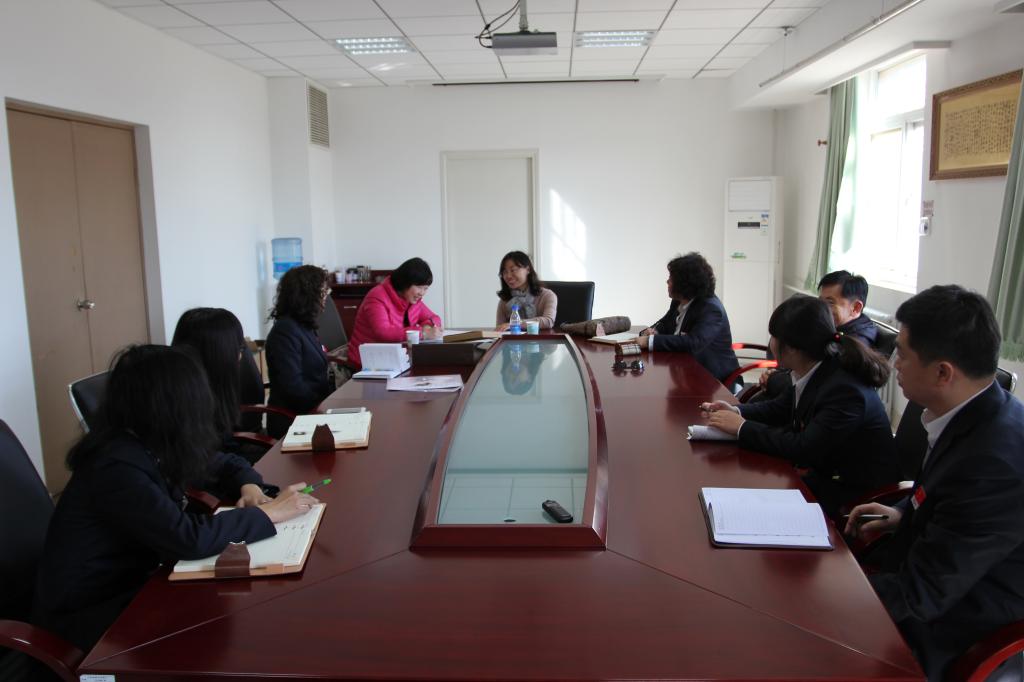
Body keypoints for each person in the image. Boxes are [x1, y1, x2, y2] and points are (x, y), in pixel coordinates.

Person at [31, 345, 318, 652]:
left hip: (141, 582)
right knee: (225, 641)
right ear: (171, 405)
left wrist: (250, 487)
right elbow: (187, 538)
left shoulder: (152, 440)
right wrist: (270, 513)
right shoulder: (115, 466)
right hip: (94, 615)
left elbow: (225, 464)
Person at [845, 285, 1024, 680]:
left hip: (960, 626)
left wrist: (831, 591)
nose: (894, 364)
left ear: (943, 372)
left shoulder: (994, 463)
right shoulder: (970, 411)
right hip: (934, 574)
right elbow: (948, 499)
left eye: (903, 355)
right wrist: (903, 513)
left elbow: (921, 596)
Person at [702, 295, 900, 517]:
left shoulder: (845, 389)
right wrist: (736, 411)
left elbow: (803, 448)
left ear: (792, 349)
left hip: (855, 497)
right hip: (825, 475)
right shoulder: (814, 368)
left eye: (773, 337)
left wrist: (741, 427)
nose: (771, 344)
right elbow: (780, 408)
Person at [759, 270, 879, 396]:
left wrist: (773, 379)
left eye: (830, 302)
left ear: (856, 308)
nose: (822, 308)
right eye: (820, 301)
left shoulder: (855, 343)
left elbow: (814, 378)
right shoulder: (830, 327)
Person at [638, 252, 741, 389]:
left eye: (671, 278)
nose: (667, 282)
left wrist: (650, 341)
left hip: (716, 382)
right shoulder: (679, 300)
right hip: (686, 373)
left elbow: (693, 342)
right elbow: (666, 322)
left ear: (684, 284)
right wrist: (654, 331)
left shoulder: (711, 309)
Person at [171, 307, 263, 460]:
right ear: (216, 355)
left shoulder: (213, 390)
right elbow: (207, 462)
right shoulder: (185, 407)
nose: (240, 356)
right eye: (236, 349)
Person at [265, 265, 335, 438]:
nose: (326, 296)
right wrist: (325, 407)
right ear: (307, 295)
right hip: (294, 421)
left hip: (314, 411)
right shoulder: (284, 332)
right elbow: (293, 388)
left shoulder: (304, 326)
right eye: (323, 292)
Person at [346, 257, 442, 371]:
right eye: (419, 287)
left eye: (425, 288)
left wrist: (427, 326)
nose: (422, 293)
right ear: (405, 282)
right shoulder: (377, 296)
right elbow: (383, 332)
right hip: (367, 363)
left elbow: (434, 318)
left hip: (393, 360)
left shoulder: (412, 299)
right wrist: (422, 333)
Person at [495, 251, 557, 331]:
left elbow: (548, 321)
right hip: (513, 339)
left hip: (542, 338)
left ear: (528, 269)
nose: (508, 276)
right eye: (505, 272)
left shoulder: (547, 295)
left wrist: (516, 323)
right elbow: (499, 329)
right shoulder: (505, 300)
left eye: (513, 270)